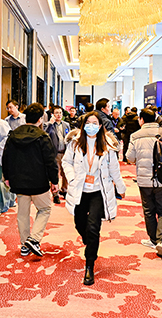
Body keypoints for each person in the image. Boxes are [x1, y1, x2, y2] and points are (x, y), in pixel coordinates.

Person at [63, 111, 126, 285]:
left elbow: (114, 169)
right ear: (83, 126)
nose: (91, 126)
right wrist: (72, 178)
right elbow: (66, 162)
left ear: (100, 126)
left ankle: (89, 265)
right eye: (88, 123)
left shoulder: (107, 146)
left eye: (94, 123)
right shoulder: (75, 143)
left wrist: (121, 188)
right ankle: (89, 241)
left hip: (99, 191)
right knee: (79, 223)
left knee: (93, 228)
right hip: (80, 190)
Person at [2, 103, 58, 258]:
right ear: (40, 119)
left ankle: (24, 245)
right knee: (44, 209)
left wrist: (7, 177)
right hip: (39, 182)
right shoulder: (43, 137)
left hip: (19, 181)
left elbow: (6, 158)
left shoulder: (13, 135)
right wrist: (54, 181)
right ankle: (34, 239)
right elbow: (50, 161)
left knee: (22, 214)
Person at [126, 108, 162, 258]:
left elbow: (130, 158)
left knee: (149, 210)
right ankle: (161, 241)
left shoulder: (135, 136)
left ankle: (153, 239)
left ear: (141, 120)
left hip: (144, 179)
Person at [44, 105, 70, 203]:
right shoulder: (48, 125)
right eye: (56, 113)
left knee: (66, 173)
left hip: (65, 152)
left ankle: (64, 190)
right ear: (52, 114)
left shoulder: (66, 125)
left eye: (60, 113)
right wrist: (50, 124)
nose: (59, 115)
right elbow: (45, 134)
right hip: (55, 153)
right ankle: (55, 194)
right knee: (55, 174)